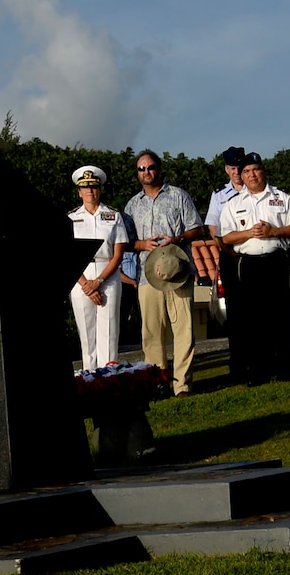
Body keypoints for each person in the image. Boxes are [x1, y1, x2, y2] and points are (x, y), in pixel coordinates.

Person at [218, 153, 290, 383]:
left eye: (256, 169)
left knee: (282, 316)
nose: (252, 175)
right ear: (241, 175)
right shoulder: (233, 203)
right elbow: (226, 236)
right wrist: (249, 233)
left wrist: (274, 232)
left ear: (263, 171)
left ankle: (287, 368)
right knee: (253, 319)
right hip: (250, 264)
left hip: (276, 260)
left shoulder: (282, 198)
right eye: (247, 171)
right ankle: (259, 371)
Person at [123, 150, 207, 393]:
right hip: (147, 276)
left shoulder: (179, 195)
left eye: (150, 167)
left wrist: (177, 238)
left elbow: (197, 229)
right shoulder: (132, 205)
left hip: (178, 272)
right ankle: (157, 384)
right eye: (141, 169)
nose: (146, 172)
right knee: (151, 333)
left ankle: (183, 385)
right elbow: (125, 241)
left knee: (184, 330)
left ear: (158, 169)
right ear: (137, 173)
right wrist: (142, 244)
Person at [68, 165, 130, 370]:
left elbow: (118, 254)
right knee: (87, 336)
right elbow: (65, 253)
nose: (90, 192)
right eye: (85, 188)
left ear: (100, 189)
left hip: (108, 275)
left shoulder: (114, 216)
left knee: (109, 334)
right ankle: (89, 379)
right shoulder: (70, 218)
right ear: (79, 192)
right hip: (80, 277)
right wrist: (86, 284)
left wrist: (99, 281)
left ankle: (109, 378)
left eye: (94, 187)